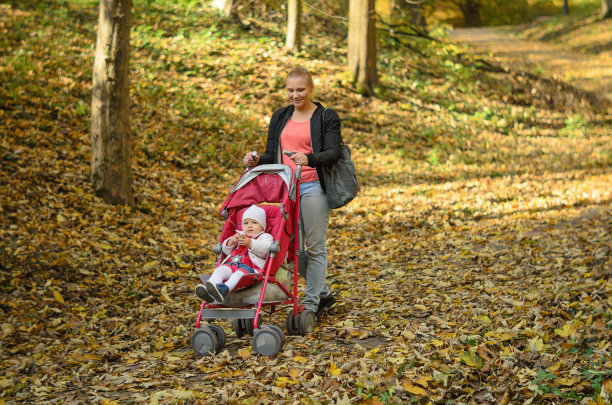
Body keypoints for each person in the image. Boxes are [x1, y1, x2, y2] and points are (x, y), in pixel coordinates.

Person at [243, 66, 340, 317]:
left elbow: (333, 152)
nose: (295, 95)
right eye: (290, 90)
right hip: (287, 187)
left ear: (311, 89)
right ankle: (323, 291)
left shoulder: (325, 116)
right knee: (288, 247)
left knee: (314, 245)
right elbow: (271, 154)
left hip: (313, 185)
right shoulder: (281, 116)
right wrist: (255, 159)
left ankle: (311, 303)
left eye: (300, 90)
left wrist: (309, 159)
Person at [195, 205, 274, 303]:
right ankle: (211, 288)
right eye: (246, 223)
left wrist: (250, 243)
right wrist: (230, 242)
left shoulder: (265, 237)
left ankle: (224, 289)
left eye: (254, 222)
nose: (249, 226)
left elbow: (265, 250)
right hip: (231, 264)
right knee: (220, 269)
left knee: (238, 274)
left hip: (248, 269)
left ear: (262, 226)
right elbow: (228, 252)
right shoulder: (239, 235)